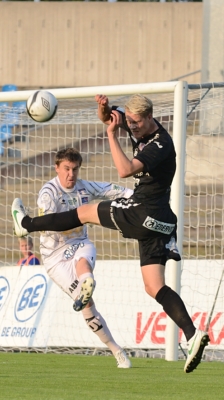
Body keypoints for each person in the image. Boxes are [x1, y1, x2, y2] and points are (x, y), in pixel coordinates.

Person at [12, 94, 210, 373]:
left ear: (150, 117)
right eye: (129, 122)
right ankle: (192, 335)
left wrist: (111, 135)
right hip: (161, 220)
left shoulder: (161, 143)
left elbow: (124, 170)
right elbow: (110, 117)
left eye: (137, 122)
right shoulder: (134, 122)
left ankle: (26, 224)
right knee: (154, 286)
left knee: (83, 213)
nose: (133, 126)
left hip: (143, 212)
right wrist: (104, 109)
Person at [14, 147, 132, 368]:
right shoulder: (48, 193)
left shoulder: (84, 186)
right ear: (57, 168)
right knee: (89, 308)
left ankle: (88, 282)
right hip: (54, 256)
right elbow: (49, 223)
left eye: (75, 169)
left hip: (79, 243)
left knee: (83, 259)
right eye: (66, 169)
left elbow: (112, 190)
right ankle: (115, 349)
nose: (71, 174)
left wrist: (136, 197)